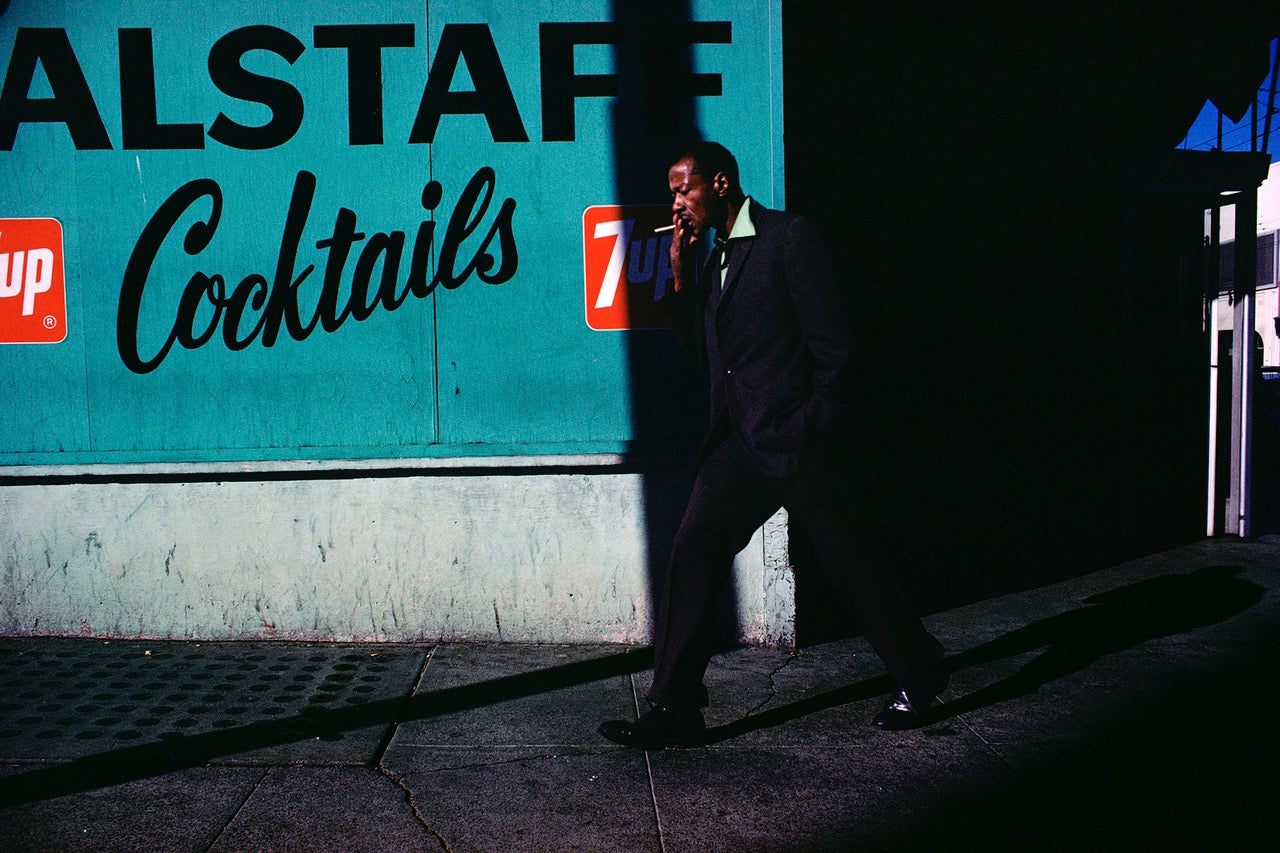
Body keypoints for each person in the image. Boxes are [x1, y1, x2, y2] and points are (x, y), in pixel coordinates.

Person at [598, 141, 948, 750]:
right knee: (693, 551)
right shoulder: (712, 260)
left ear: (722, 184)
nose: (676, 203)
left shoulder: (789, 237)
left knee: (850, 562)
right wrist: (680, 277)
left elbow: (834, 348)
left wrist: (813, 426)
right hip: (739, 444)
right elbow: (708, 360)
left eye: (685, 189)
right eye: (673, 193)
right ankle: (676, 708)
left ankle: (920, 673)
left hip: (796, 440)